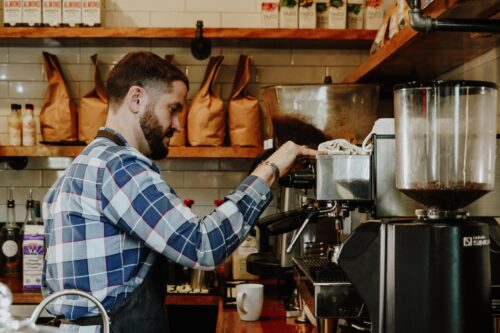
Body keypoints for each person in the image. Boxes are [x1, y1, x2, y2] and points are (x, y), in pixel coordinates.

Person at [41, 51, 320, 333]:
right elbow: (203, 246)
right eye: (173, 109)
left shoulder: (82, 166)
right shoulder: (119, 167)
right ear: (136, 99)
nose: (178, 124)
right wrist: (270, 168)